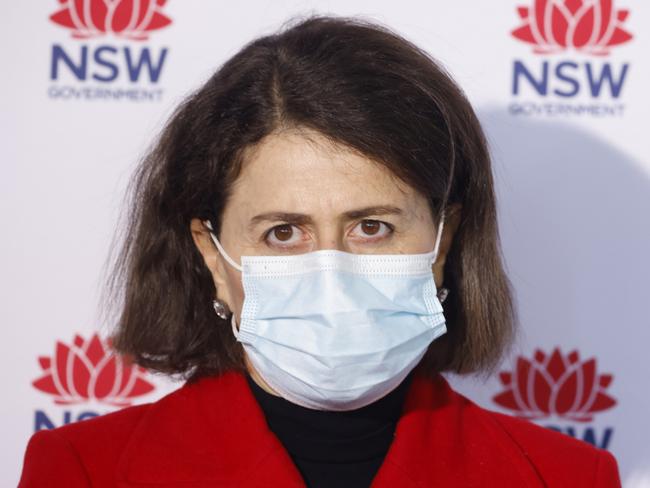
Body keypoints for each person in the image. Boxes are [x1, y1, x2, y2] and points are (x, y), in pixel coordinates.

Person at [18, 14, 621, 488]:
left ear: (444, 241)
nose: (331, 273)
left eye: (373, 227)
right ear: (211, 253)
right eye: (283, 232)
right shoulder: (80, 471)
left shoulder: (567, 477)